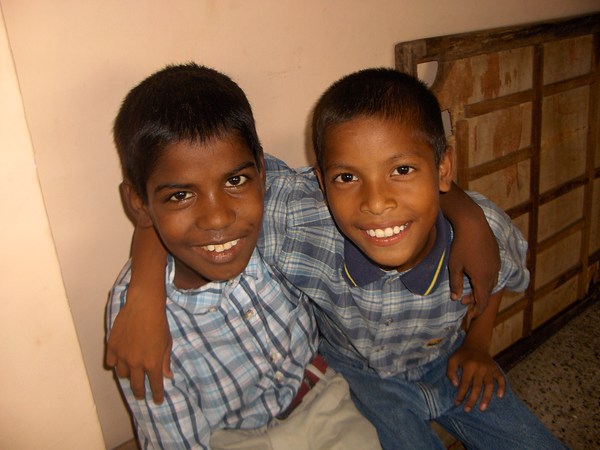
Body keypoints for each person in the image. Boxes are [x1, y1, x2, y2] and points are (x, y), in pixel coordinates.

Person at [107, 62, 382, 450]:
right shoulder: (138, 322)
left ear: (262, 172)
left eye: (235, 180)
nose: (218, 218)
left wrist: (462, 214)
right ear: (139, 203)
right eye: (181, 195)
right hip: (231, 439)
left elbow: (376, 189)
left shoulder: (281, 218)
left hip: (324, 400)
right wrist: (144, 294)